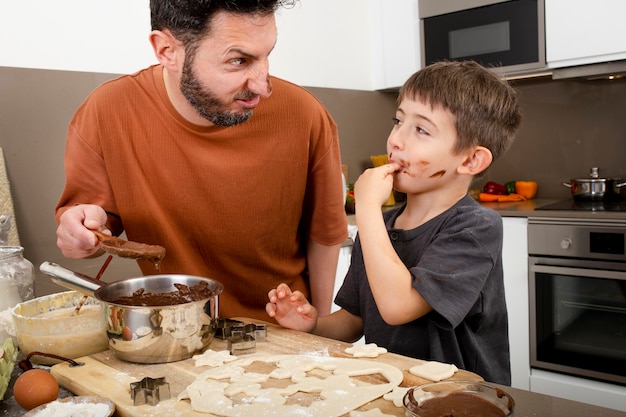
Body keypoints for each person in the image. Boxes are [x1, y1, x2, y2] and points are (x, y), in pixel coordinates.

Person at [54, 0, 348, 321]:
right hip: (174, 333)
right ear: (167, 50)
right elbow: (92, 232)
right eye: (239, 61)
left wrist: (318, 331)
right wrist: (84, 232)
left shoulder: (306, 116)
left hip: (284, 333)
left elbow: (325, 234)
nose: (262, 87)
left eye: (267, 55)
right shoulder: (106, 112)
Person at [267, 60, 522, 385]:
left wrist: (368, 209)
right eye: (398, 121)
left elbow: (398, 308)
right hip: (396, 392)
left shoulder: (475, 228)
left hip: (463, 398)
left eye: (421, 130)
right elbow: (355, 321)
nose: (396, 140)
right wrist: (313, 324)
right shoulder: (381, 225)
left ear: (471, 159)